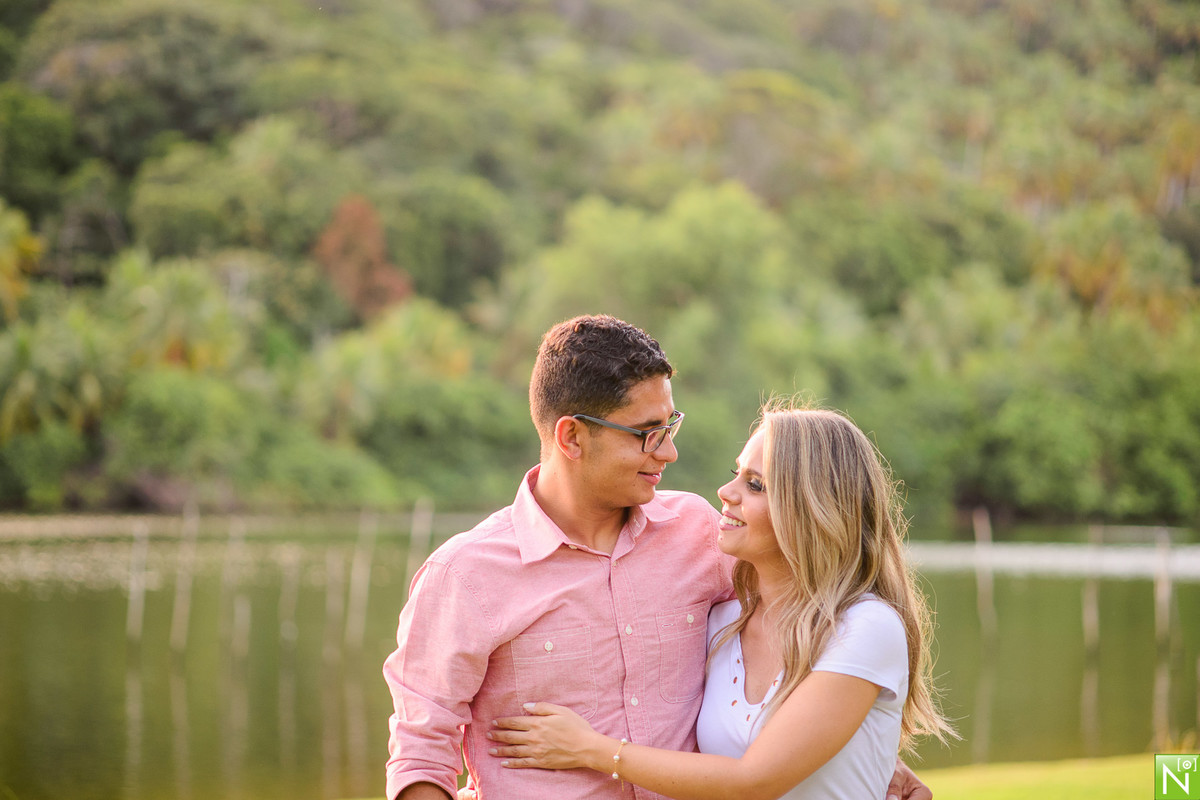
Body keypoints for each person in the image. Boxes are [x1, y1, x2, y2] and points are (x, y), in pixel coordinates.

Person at [384, 315, 932, 800]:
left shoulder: (699, 533)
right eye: (647, 434)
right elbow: (420, 755)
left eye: (670, 426)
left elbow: (805, 624)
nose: (668, 452)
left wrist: (856, 743)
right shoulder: (465, 576)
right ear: (572, 438)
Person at [486, 401, 956, 799]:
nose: (726, 493)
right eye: (737, 474)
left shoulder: (865, 627)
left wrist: (590, 749)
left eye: (755, 485)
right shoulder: (721, 624)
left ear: (812, 510)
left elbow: (756, 780)